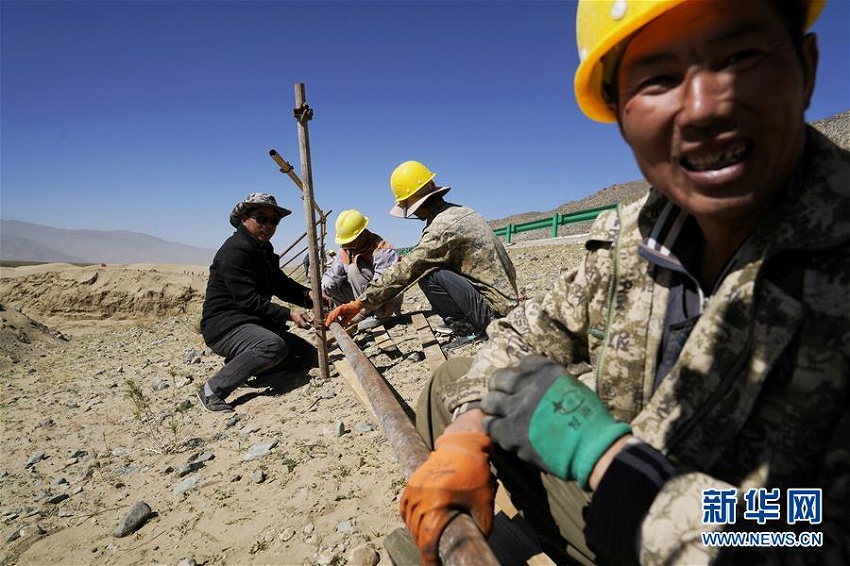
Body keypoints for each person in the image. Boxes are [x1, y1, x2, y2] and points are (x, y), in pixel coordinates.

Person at [400, 1, 849, 565]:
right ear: (618, 112)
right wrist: (466, 435)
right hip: (622, 504)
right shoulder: (630, 235)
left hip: (706, 539)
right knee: (460, 381)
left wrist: (610, 460)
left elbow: (816, 530)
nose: (705, 108)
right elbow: (519, 338)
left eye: (740, 56)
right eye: (658, 78)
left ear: (807, 67)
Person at [324, 160, 519, 341]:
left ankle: (470, 328)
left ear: (413, 204)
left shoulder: (441, 228)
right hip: (505, 301)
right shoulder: (458, 212)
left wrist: (359, 303)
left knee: (426, 272)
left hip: (495, 313)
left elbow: (409, 268)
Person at [198, 192, 317, 413]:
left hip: (252, 323)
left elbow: (281, 284)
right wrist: (289, 314)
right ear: (244, 218)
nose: (268, 225)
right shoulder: (236, 250)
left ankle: (252, 369)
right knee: (272, 346)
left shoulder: (262, 250)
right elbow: (247, 300)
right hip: (226, 326)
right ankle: (213, 389)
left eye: (274, 220)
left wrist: (310, 296)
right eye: (261, 218)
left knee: (308, 356)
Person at [320, 209, 402, 328]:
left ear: (362, 235)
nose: (347, 247)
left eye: (350, 242)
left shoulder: (382, 251)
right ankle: (352, 313)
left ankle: (379, 316)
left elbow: (382, 287)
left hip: (384, 300)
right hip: (362, 299)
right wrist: (321, 295)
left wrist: (360, 304)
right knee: (330, 284)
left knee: (354, 270)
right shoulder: (346, 250)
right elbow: (331, 277)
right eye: (344, 243)